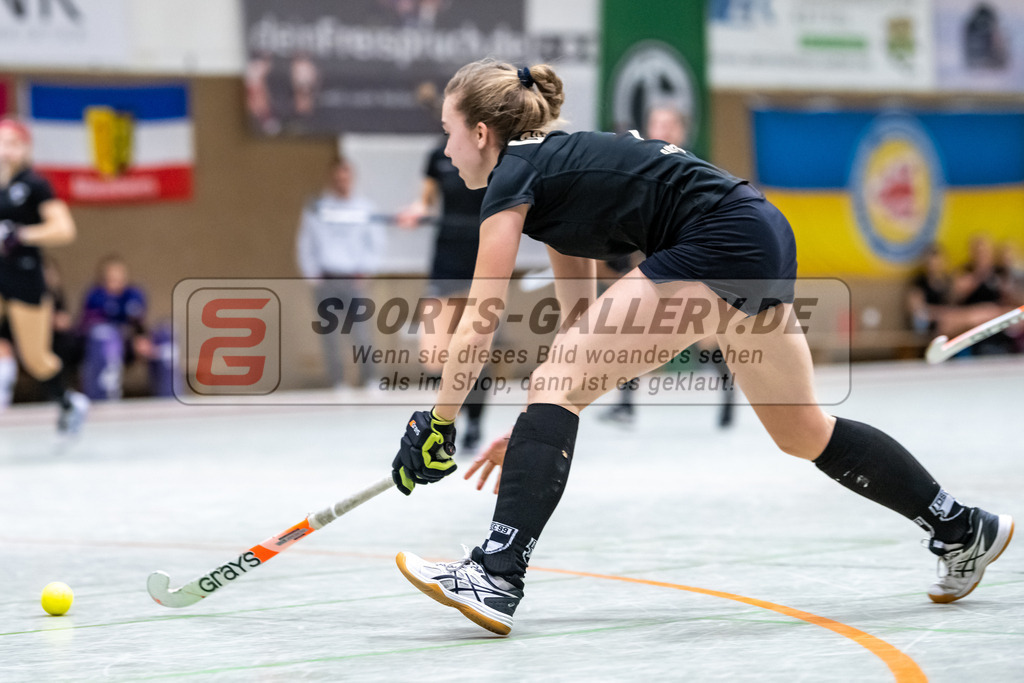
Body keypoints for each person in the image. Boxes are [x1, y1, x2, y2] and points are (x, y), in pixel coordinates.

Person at [387, 60, 1014, 636]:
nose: (445, 149)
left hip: (720, 241)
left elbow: (480, 319)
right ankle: (962, 526)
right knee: (802, 430)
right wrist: (539, 430)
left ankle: (494, 574)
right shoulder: (552, 171)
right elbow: (583, 324)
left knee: (556, 383)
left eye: (447, 132)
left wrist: (437, 423)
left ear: (481, 132)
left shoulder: (515, 171)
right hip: (759, 232)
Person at [397, 141, 489, 452]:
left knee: (473, 346)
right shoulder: (437, 155)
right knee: (434, 355)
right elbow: (426, 200)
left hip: (485, 256)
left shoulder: (496, 152)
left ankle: (473, 421)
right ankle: (457, 411)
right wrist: (417, 211)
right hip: (446, 258)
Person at [0, 117, 88, 432]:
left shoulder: (35, 185)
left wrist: (21, 235)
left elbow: (63, 229)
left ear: (25, 149)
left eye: (12, 144)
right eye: (1, 142)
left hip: (23, 275)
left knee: (37, 359)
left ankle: (68, 403)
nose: (5, 150)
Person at [296, 156, 386, 389]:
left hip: (353, 279)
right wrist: (313, 275)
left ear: (352, 179)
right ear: (331, 179)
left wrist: (366, 271)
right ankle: (338, 381)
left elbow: (375, 242)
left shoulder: (364, 208)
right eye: (337, 179)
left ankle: (370, 379)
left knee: (361, 333)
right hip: (327, 278)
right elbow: (306, 243)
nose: (342, 183)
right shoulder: (318, 207)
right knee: (330, 335)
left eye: (346, 178)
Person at [78, 254, 150, 400]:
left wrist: (141, 338)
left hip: (128, 345)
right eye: (110, 277)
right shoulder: (95, 296)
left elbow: (138, 322)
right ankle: (104, 394)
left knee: (165, 337)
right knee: (106, 336)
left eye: (119, 276)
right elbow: (89, 327)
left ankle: (168, 396)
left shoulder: (133, 294)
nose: (115, 281)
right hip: (98, 349)